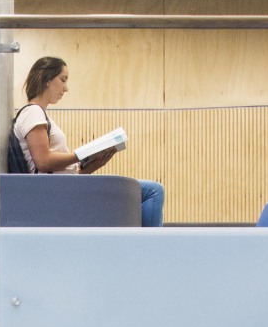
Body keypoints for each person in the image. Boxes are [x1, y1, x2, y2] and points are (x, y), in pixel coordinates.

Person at [9, 55, 166, 229]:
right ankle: (151, 248)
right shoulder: (33, 113)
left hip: (65, 187)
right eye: (63, 80)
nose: (66, 88)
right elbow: (44, 162)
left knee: (150, 190)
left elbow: (56, 171)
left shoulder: (39, 115)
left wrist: (92, 165)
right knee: (153, 191)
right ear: (47, 78)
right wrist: (79, 155)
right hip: (58, 192)